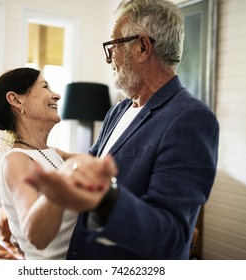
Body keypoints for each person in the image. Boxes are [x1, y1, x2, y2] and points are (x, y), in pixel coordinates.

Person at [26, 0, 219, 260]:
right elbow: (90, 164)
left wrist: (102, 199)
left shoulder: (191, 118)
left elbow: (170, 236)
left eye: (113, 46)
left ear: (142, 47)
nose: (109, 59)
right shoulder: (118, 111)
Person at [0, 67, 116, 259]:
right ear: (16, 100)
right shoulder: (16, 160)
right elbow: (36, 236)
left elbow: (99, 164)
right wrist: (61, 187)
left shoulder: (53, 153)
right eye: (45, 87)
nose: (56, 95)